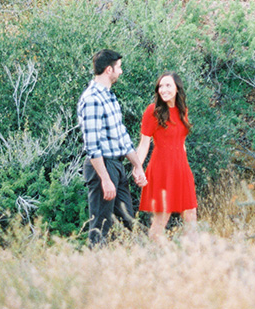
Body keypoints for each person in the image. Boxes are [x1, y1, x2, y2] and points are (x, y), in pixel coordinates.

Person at [77, 49, 147, 246]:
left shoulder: (109, 97)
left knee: (129, 221)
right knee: (100, 226)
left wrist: (136, 165)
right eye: (119, 67)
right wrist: (105, 179)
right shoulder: (92, 99)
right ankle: (94, 269)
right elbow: (92, 145)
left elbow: (121, 137)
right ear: (109, 70)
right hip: (102, 167)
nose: (121, 71)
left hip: (116, 166)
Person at [137, 71, 198, 239]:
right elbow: (144, 144)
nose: (163, 89)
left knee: (191, 215)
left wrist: (185, 168)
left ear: (177, 88)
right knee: (161, 218)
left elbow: (181, 142)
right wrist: (137, 168)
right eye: (161, 86)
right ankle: (156, 260)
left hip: (181, 169)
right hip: (162, 170)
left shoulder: (182, 110)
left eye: (168, 85)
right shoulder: (152, 111)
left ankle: (196, 260)